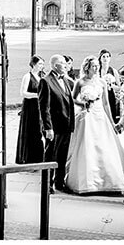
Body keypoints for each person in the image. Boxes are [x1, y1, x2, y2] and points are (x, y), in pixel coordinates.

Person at [65, 55, 124, 194]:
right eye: (94, 66)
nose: (96, 68)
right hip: (87, 116)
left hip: (100, 116)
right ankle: (87, 182)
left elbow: (106, 103)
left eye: (97, 66)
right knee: (87, 146)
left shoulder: (102, 82)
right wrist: (84, 103)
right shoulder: (80, 82)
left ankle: (108, 181)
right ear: (87, 67)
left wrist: (112, 122)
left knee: (104, 146)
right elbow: (72, 99)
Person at [38, 54, 75, 193]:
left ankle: (60, 182)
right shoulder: (45, 81)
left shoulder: (65, 80)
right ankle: (47, 184)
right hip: (53, 127)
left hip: (66, 125)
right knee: (50, 156)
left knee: (62, 156)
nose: (65, 65)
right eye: (62, 63)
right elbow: (44, 107)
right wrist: (48, 128)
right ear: (54, 65)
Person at [15, 56, 45, 164]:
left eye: (42, 64)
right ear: (33, 64)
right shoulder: (27, 76)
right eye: (40, 64)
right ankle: (27, 157)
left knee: (38, 130)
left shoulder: (41, 76)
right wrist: (37, 95)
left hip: (39, 106)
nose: (42, 66)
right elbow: (23, 93)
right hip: (30, 106)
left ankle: (38, 157)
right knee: (30, 129)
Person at [98, 49, 121, 124]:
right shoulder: (97, 70)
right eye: (103, 56)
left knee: (111, 113)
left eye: (107, 56)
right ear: (100, 58)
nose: (105, 58)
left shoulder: (113, 71)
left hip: (110, 94)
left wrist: (110, 85)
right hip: (99, 94)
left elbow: (119, 88)